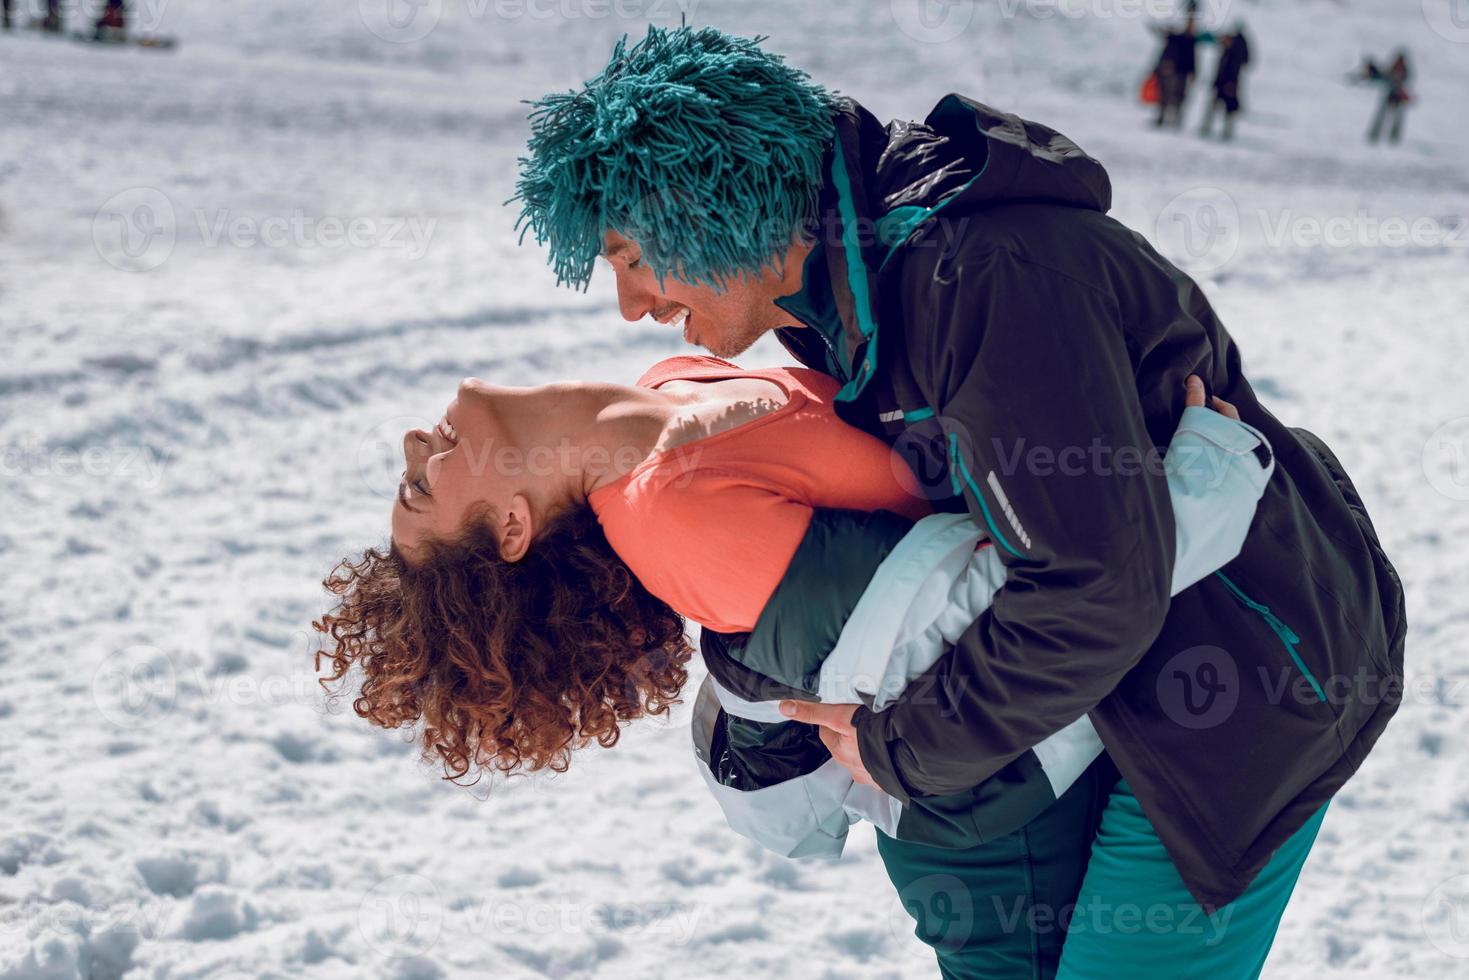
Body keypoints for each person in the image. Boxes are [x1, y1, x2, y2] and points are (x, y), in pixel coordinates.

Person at [502, 26, 1405, 977]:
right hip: (1100, 703)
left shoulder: (975, 282)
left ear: (716, 207)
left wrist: (901, 748)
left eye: (633, 258)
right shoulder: (858, 297)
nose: (632, 306)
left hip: (1233, 690)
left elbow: (1094, 587)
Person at [317, 359, 1262, 977]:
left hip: (1015, 759)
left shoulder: (674, 381)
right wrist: (1201, 490)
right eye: (418, 489)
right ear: (512, 528)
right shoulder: (677, 521)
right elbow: (987, 616)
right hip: (990, 842)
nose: (412, 449)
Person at [1150, 11, 1200, 128]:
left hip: (1183, 73)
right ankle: (1162, 118)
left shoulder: (1190, 39)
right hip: (1174, 72)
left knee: (1179, 97)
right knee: (1166, 95)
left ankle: (1176, 120)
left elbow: (1193, 58)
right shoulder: (1178, 38)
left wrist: (1193, 72)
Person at [1200, 25, 1251, 140]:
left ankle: (1227, 132)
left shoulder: (1234, 55)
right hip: (1220, 84)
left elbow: (1234, 71)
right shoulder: (1226, 52)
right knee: (1213, 107)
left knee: (1229, 109)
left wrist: (1231, 83)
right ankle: (1207, 128)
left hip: (1229, 85)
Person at [1361, 49, 1412, 145]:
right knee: (1380, 117)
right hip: (1389, 95)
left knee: (1397, 120)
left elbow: (1403, 84)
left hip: (1398, 98)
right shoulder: (1392, 69)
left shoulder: (1405, 72)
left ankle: (1394, 138)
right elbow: (1382, 76)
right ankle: (1374, 135)